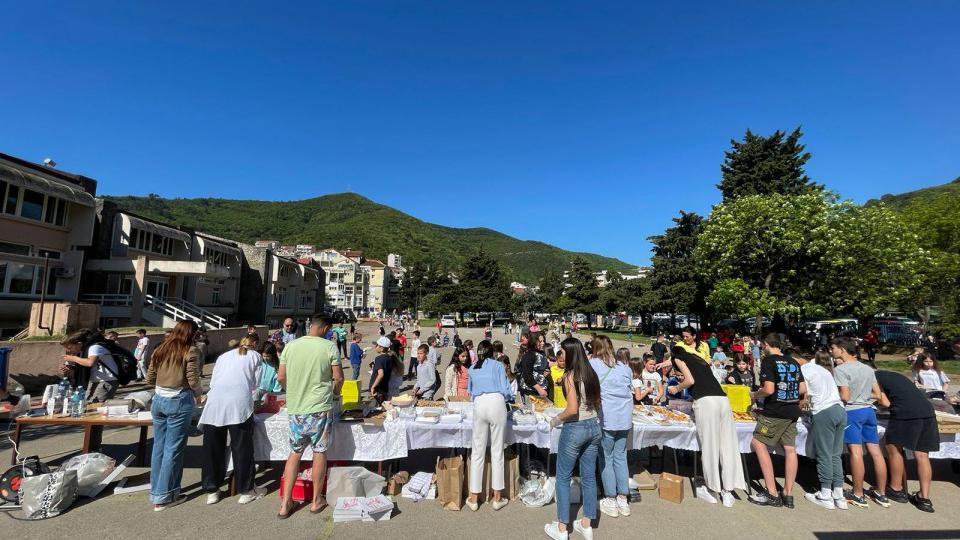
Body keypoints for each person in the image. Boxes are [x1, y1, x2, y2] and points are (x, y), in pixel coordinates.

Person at [277, 315, 343, 518]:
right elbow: (338, 377)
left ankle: (286, 502)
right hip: (319, 407)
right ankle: (316, 500)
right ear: (324, 328)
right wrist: (334, 394)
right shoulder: (329, 347)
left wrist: (292, 391)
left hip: (296, 408)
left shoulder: (291, 346)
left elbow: (280, 376)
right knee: (319, 451)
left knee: (295, 452)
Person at [667, 345, 745, 507]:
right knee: (727, 445)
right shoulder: (699, 360)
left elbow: (690, 380)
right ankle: (728, 491)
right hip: (722, 401)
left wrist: (676, 388)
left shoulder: (678, 359)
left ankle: (711, 488)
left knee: (710, 446)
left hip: (706, 403)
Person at [544, 338, 602, 540]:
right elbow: (597, 402)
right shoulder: (591, 373)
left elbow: (572, 409)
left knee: (563, 477)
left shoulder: (570, 376)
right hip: (594, 426)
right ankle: (586, 523)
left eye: (563, 352)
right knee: (588, 476)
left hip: (575, 427)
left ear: (570, 353)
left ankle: (562, 527)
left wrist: (554, 419)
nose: (561, 355)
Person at [199, 335, 265, 505]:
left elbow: (213, 382)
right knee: (242, 448)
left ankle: (212, 489)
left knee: (212, 449)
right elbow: (256, 384)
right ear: (255, 345)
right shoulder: (255, 356)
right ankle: (246, 489)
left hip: (215, 403)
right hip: (239, 404)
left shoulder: (223, 357)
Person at [146, 320, 203, 511]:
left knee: (159, 447)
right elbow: (192, 377)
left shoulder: (161, 348)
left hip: (159, 399)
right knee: (174, 449)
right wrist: (199, 394)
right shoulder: (190, 350)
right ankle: (164, 496)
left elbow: (149, 377)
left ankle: (157, 491)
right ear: (191, 333)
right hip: (178, 399)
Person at [748, 334, 807, 508]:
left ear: (766, 345)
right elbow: (803, 388)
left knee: (758, 443)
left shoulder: (768, 361)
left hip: (775, 410)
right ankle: (788, 494)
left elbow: (768, 389)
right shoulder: (793, 361)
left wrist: (754, 394)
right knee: (790, 449)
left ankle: (772, 492)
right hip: (792, 410)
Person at [831, 336, 889, 508]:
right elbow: (878, 395)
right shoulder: (867, 368)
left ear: (842, 349)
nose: (832, 351)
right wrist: (863, 395)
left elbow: (845, 396)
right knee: (876, 452)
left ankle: (858, 493)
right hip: (869, 411)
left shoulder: (841, 369)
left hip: (852, 412)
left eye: (833, 348)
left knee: (855, 452)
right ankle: (881, 492)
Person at [790, 349, 847, 510]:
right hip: (839, 410)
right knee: (836, 454)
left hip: (824, 413)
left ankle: (825, 493)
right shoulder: (822, 369)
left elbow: (803, 395)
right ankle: (838, 493)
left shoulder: (804, 370)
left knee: (824, 453)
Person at [875, 369, 939, 513]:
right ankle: (924, 498)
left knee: (893, 447)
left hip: (906, 413)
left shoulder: (874, 378)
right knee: (922, 455)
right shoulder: (894, 375)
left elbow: (884, 402)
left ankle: (896, 489)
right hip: (928, 412)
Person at [466, 340, 513, 512]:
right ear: (491, 351)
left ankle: (473, 497)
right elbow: (506, 389)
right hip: (496, 401)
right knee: (497, 450)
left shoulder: (472, 368)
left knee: (477, 450)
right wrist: (509, 399)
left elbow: (470, 391)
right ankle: (497, 497)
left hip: (479, 403)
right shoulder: (497, 365)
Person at [589, 338, 634, 518]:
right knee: (620, 455)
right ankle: (623, 497)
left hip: (607, 417)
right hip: (624, 417)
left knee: (606, 457)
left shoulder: (593, 364)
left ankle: (611, 497)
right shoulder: (624, 367)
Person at [60, 330, 120, 403]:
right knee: (87, 403)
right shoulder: (84, 350)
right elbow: (85, 367)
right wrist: (71, 368)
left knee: (97, 405)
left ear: (79, 344)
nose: (68, 350)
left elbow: (90, 363)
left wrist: (73, 358)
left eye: (69, 347)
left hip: (107, 380)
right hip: (95, 381)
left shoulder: (94, 347)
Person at [518, 332, 550, 401]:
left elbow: (544, 366)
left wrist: (547, 371)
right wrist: (539, 389)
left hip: (542, 388)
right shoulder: (529, 355)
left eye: (543, 341)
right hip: (530, 390)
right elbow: (527, 375)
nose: (543, 343)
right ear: (533, 342)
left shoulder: (542, 353)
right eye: (540, 341)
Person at [369, 336, 395, 404]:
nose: (375, 347)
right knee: (384, 406)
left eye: (377, 345)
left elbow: (381, 374)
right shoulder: (389, 357)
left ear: (382, 348)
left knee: (377, 409)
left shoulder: (379, 359)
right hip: (385, 388)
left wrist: (373, 387)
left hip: (378, 389)